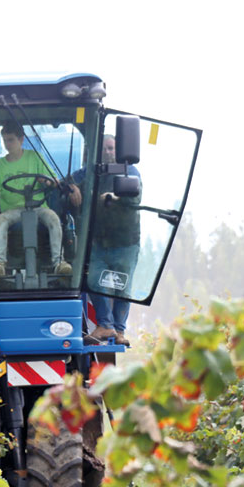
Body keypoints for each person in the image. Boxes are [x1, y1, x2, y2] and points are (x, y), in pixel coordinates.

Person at [0, 122, 72, 277]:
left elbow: (54, 181)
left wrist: (46, 181)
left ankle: (59, 262)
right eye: (5, 140)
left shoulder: (35, 157)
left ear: (21, 140)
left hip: (38, 207)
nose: (7, 144)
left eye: (11, 140)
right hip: (13, 210)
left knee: (53, 218)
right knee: (1, 220)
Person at [86, 134, 141, 346]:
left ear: (119, 150)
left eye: (111, 148)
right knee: (94, 280)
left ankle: (119, 330)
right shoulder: (93, 171)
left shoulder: (130, 172)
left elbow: (133, 195)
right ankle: (105, 325)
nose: (108, 152)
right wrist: (68, 187)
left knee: (122, 287)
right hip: (100, 241)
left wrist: (112, 196)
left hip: (125, 242)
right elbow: (73, 181)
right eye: (104, 149)